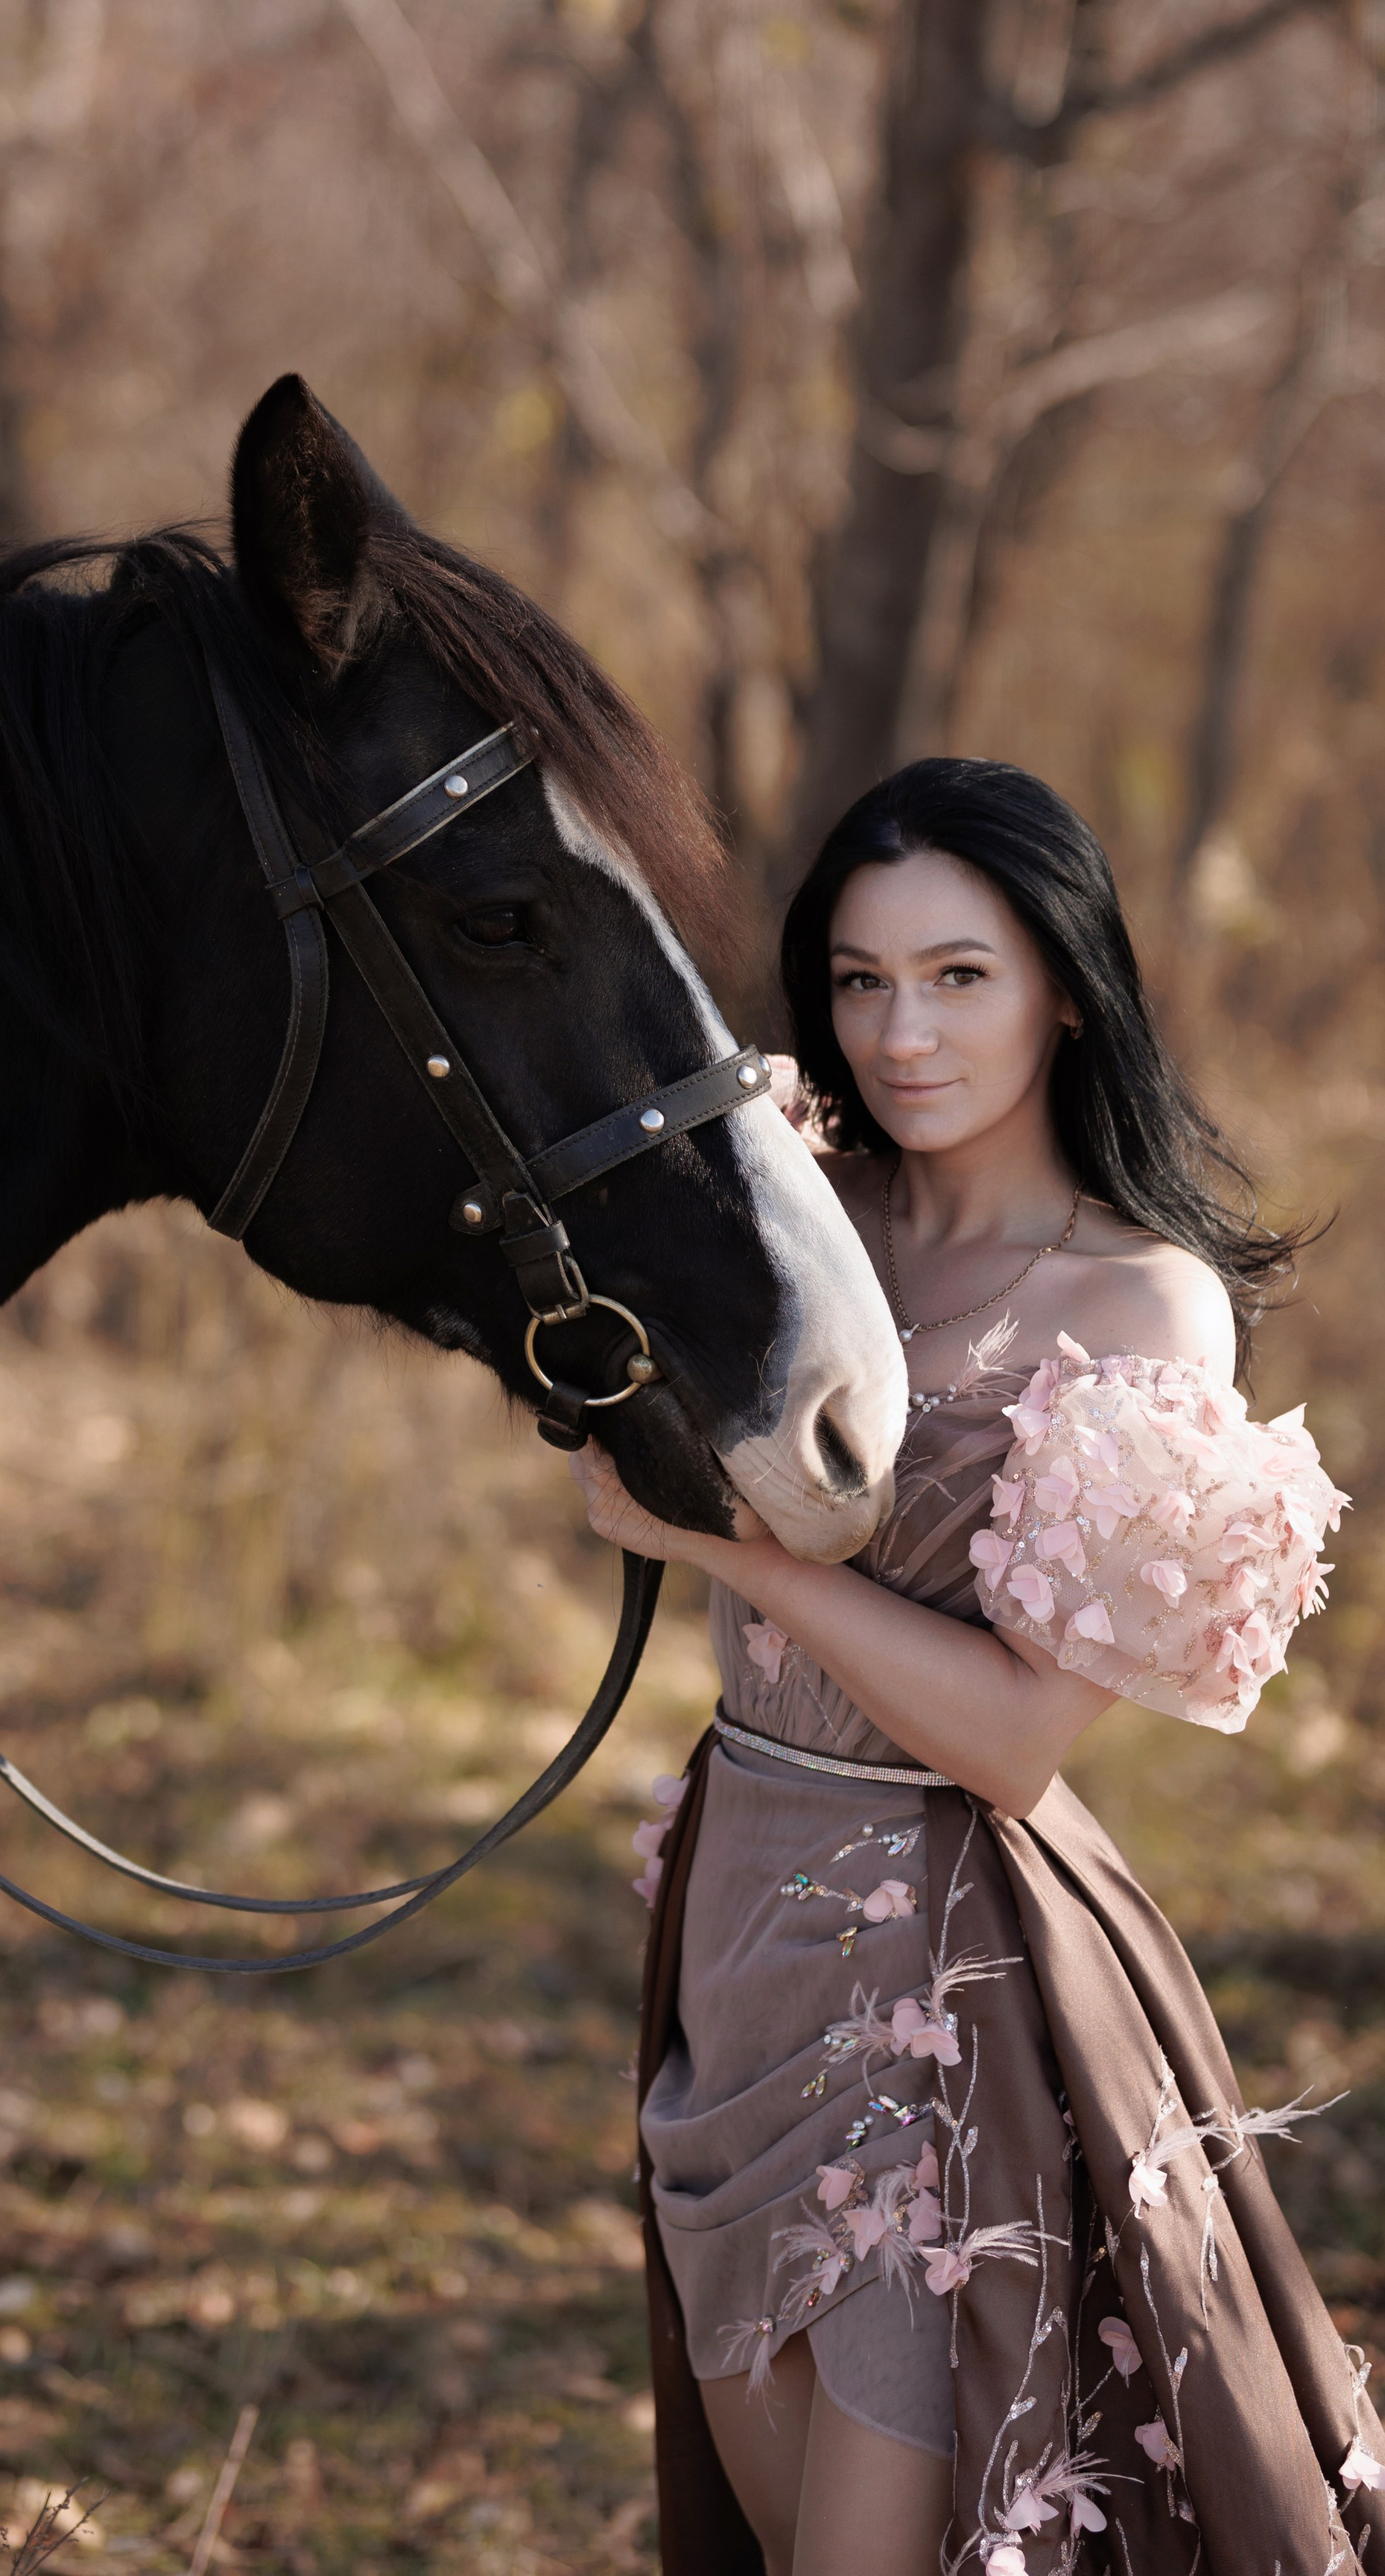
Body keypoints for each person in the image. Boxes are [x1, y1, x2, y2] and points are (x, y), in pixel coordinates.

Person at [572, 759, 1378, 2576]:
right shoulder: (802, 1223)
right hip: (732, 1924)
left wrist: (711, 1537)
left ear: (1063, 987)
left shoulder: (1132, 1298)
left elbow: (1017, 1742)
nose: (898, 1033)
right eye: (857, 981)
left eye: (957, 977)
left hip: (940, 1975)